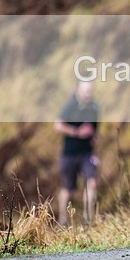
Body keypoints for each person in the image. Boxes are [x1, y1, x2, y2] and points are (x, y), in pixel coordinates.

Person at [53, 81, 99, 226]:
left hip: (86, 154)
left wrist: (94, 140)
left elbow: (94, 132)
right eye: (85, 91)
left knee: (91, 183)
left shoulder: (94, 108)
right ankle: (63, 220)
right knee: (67, 188)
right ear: (78, 91)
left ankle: (88, 218)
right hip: (70, 154)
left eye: (89, 91)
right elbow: (58, 125)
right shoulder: (70, 106)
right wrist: (76, 132)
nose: (88, 94)